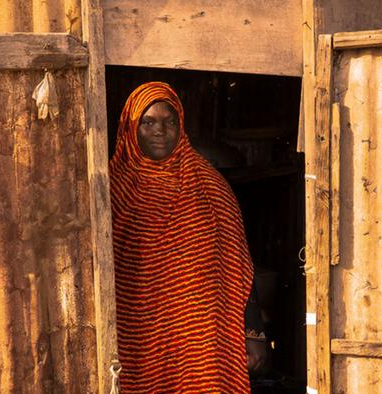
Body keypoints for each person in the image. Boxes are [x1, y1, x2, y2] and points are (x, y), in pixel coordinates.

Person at [109, 82, 267, 393]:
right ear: (130, 127)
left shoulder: (209, 186)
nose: (160, 130)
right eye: (148, 121)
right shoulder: (113, 188)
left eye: (170, 121)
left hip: (201, 334)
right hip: (136, 335)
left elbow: (238, 267)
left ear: (181, 126)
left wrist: (254, 333)